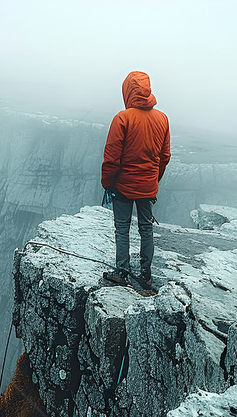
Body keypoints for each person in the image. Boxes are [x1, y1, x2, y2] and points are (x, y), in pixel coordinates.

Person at [101, 71, 170, 289]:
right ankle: (145, 275)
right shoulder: (162, 118)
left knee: (122, 228)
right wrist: (153, 180)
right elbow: (165, 156)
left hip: (123, 186)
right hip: (148, 186)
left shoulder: (123, 118)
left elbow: (112, 157)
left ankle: (122, 271)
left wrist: (107, 184)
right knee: (146, 229)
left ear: (128, 91)